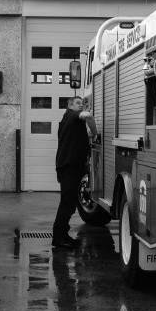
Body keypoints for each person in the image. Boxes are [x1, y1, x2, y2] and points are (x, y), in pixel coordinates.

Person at [52, 96, 97, 248]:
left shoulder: (70, 120)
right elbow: (88, 115)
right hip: (69, 167)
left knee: (70, 203)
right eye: (78, 103)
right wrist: (95, 132)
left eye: (82, 103)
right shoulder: (72, 115)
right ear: (70, 106)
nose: (81, 106)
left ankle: (63, 235)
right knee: (67, 203)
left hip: (71, 166)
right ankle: (58, 238)